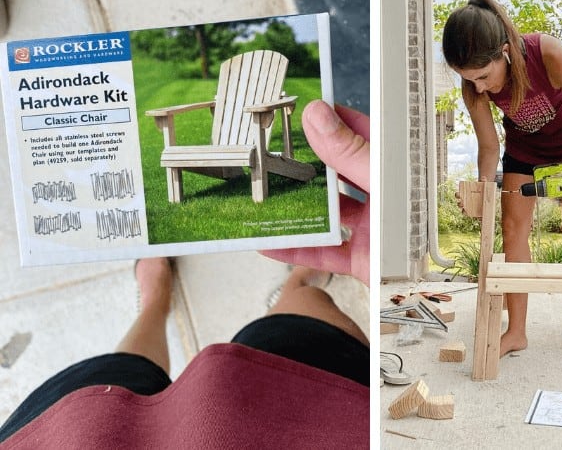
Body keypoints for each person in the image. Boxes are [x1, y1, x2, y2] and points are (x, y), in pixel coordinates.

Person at [0, 100, 370, 449]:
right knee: (299, 317)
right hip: (289, 419)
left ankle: (155, 301)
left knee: (120, 377)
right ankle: (299, 281)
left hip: (82, 437)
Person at [442, 0, 562, 364]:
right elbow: (488, 146)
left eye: (484, 76)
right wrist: (482, 189)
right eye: (469, 80)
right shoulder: (473, 86)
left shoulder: (546, 52)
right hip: (525, 151)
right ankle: (516, 331)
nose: (480, 88)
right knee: (513, 229)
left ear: (505, 52)